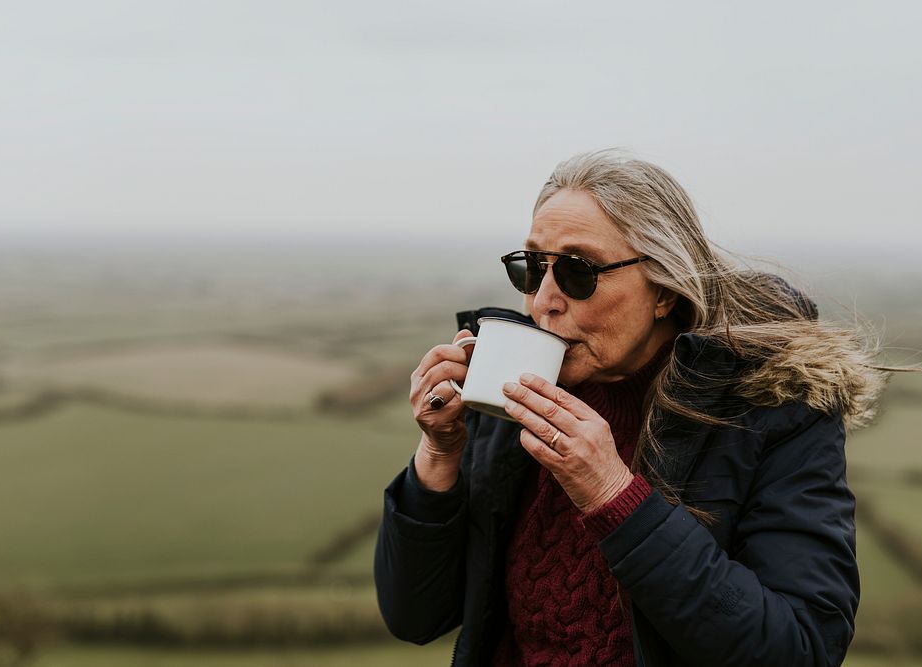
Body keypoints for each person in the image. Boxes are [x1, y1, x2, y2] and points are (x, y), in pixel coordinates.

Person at [374, 150, 886, 666]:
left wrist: (613, 495)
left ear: (662, 289)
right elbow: (414, 616)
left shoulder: (770, 407)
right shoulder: (517, 392)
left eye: (578, 271)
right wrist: (439, 455)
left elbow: (800, 649)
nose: (544, 301)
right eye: (532, 267)